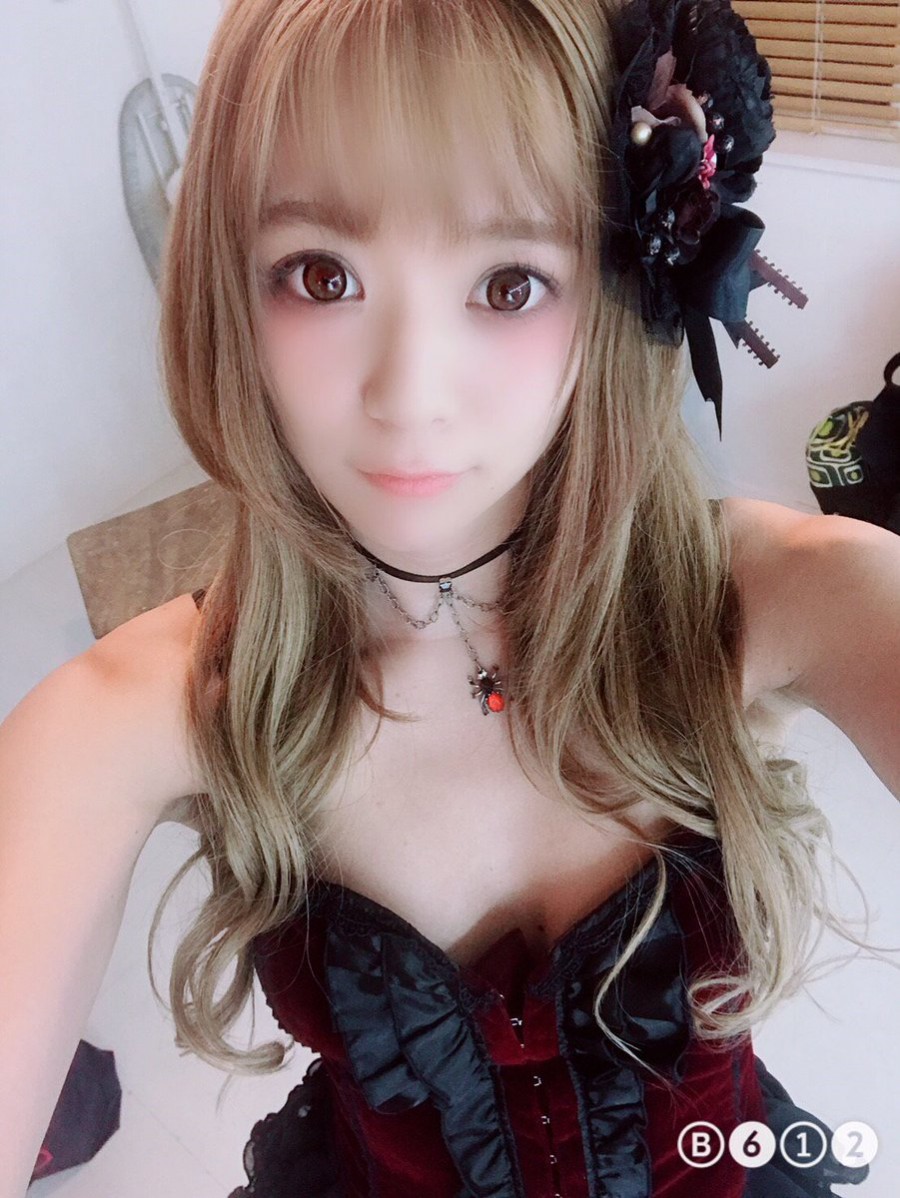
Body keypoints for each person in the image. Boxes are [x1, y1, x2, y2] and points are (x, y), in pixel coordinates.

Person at [2, 1, 899, 1196]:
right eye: (322, 274)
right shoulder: (134, 713)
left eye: (509, 282)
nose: (409, 392)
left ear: (609, 280)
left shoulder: (778, 596)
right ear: (232, 285)